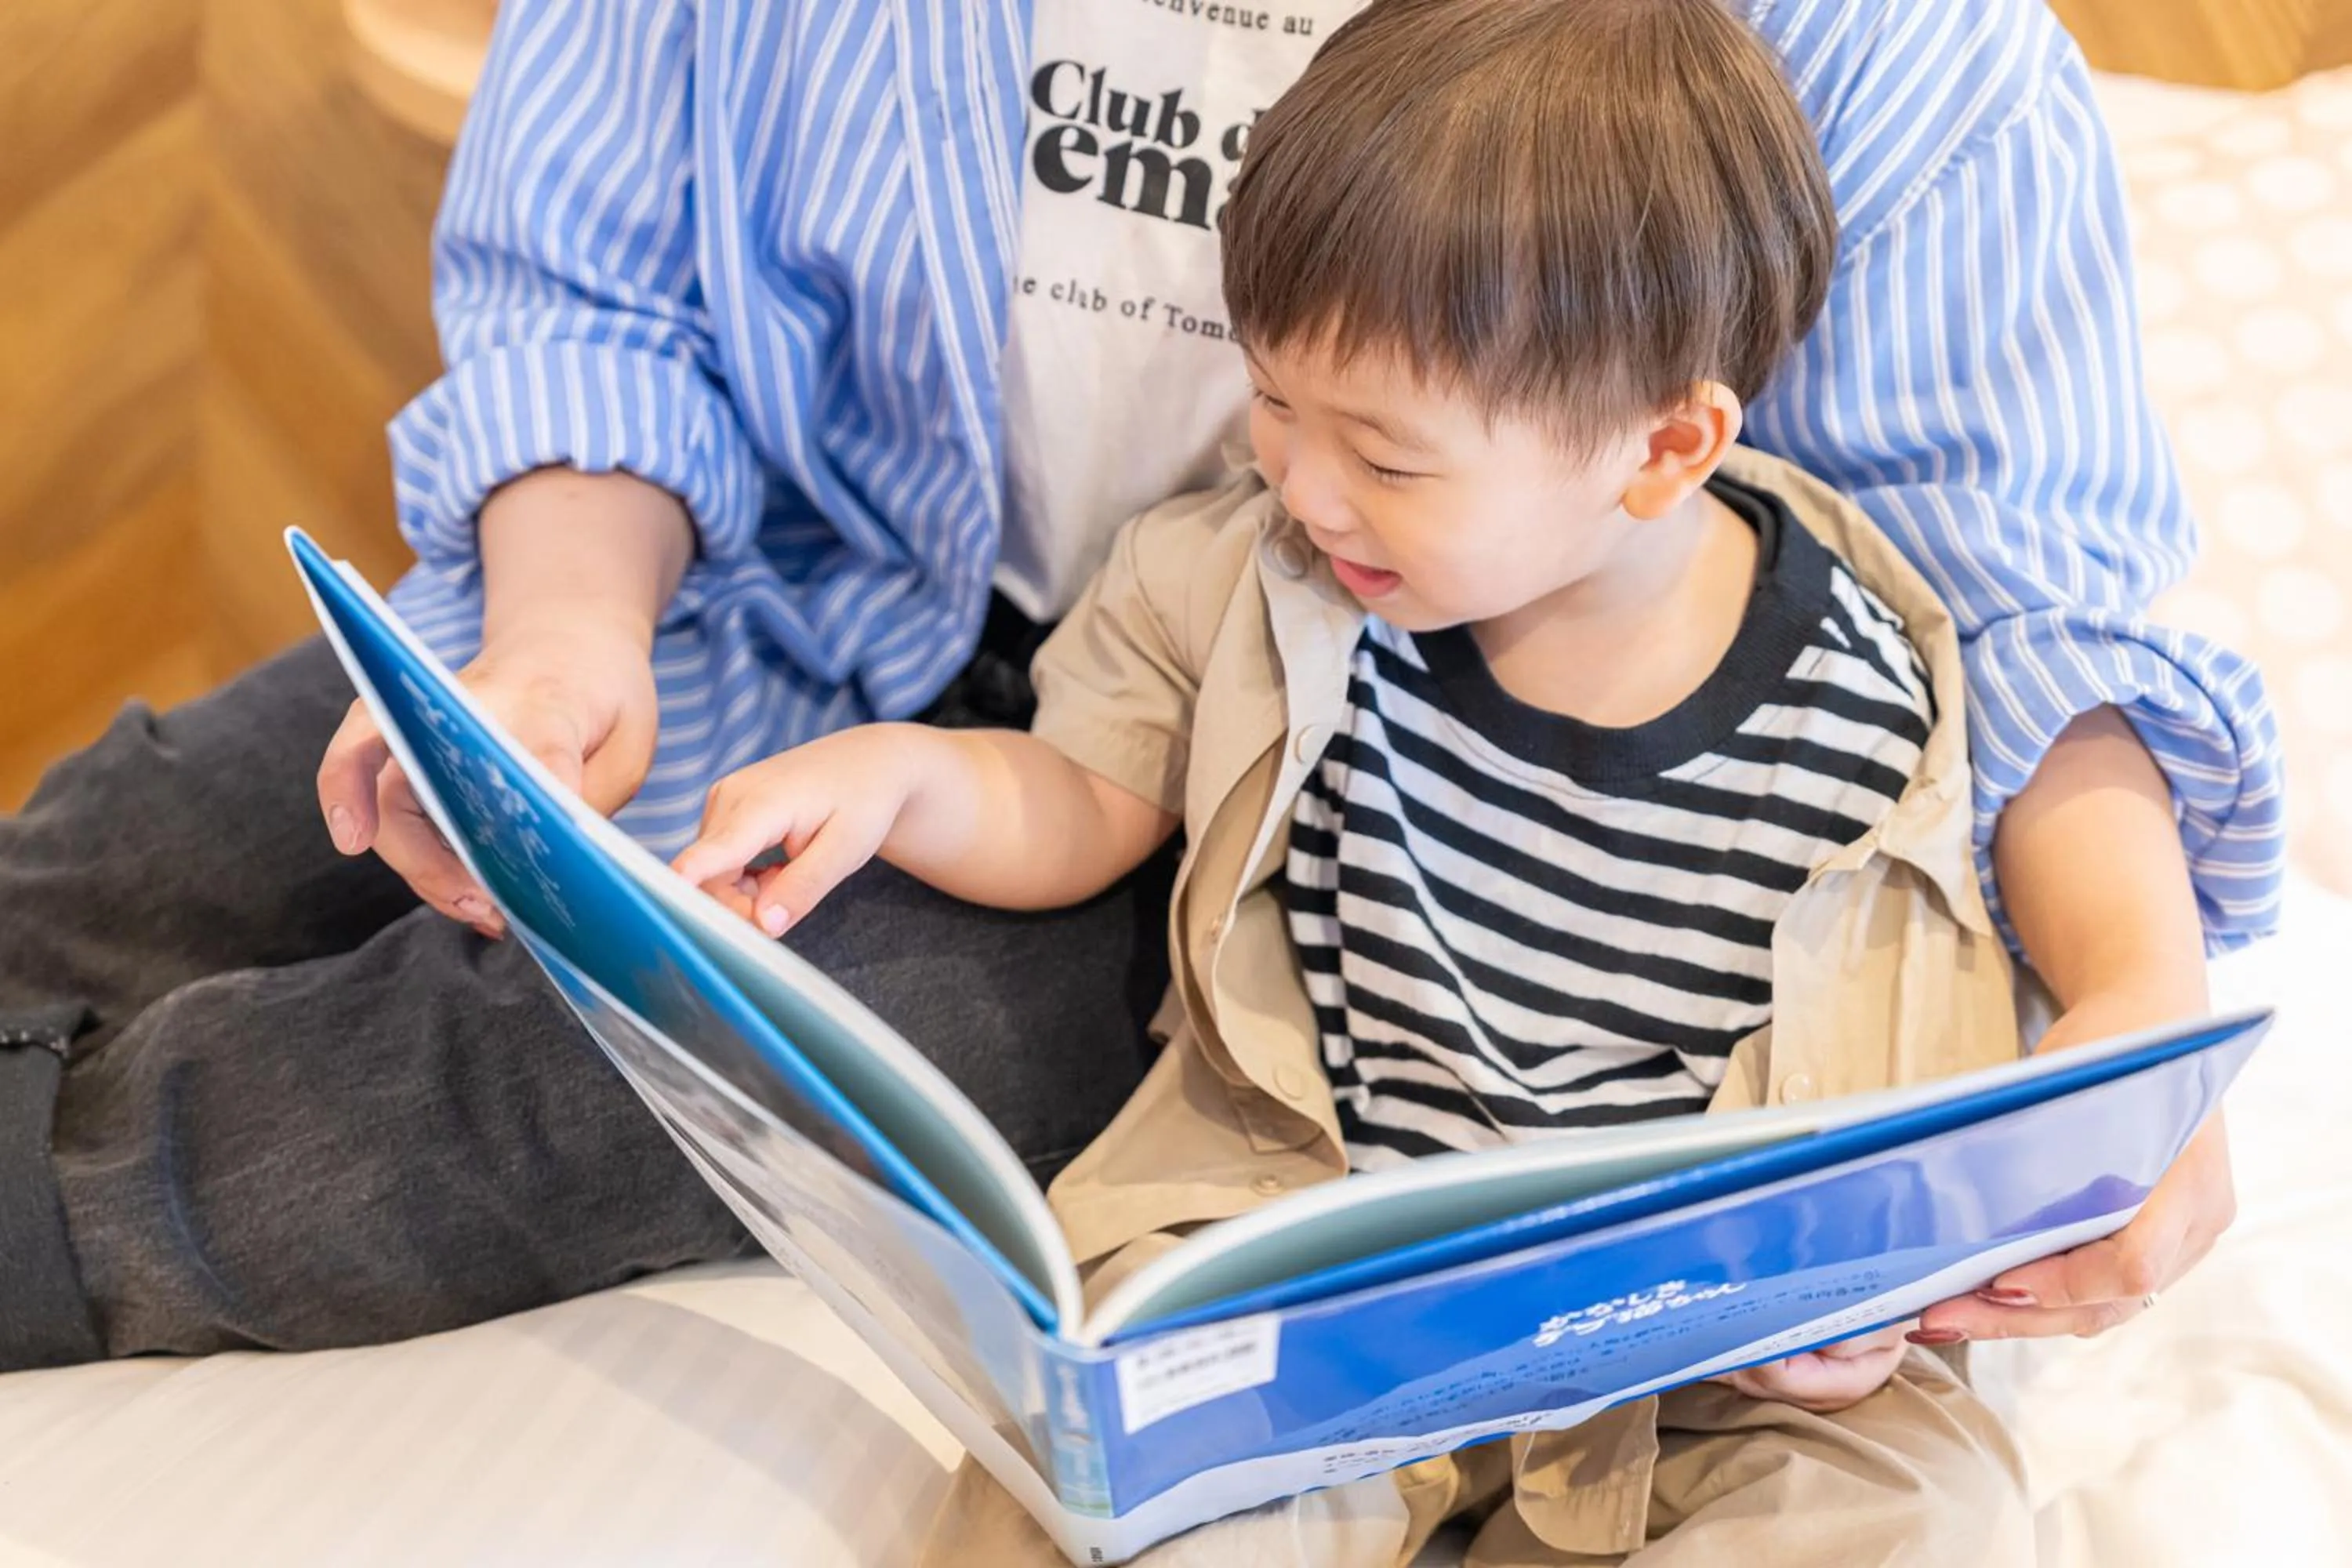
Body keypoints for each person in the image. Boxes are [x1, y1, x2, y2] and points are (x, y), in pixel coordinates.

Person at [0, 0, 2270, 1384]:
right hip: (804, 592)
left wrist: (2131, 1022)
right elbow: (599, 279)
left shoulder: (1862, 45)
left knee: (563, 1082)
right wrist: (568, 638)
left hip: (1286, 824)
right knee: (181, 822)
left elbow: (2018, 585)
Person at [671, 1, 2030, 1559]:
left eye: (1386, 457)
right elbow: (1087, 796)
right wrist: (906, 782)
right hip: (1319, 1282)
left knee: (1925, 1506)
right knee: (1103, 1490)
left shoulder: (1862, 725)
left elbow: (1912, 1119)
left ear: (1663, 449)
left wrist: (1849, 1311)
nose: (1304, 486)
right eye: (1272, 401)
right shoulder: (1249, 573)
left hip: (1698, 1360)